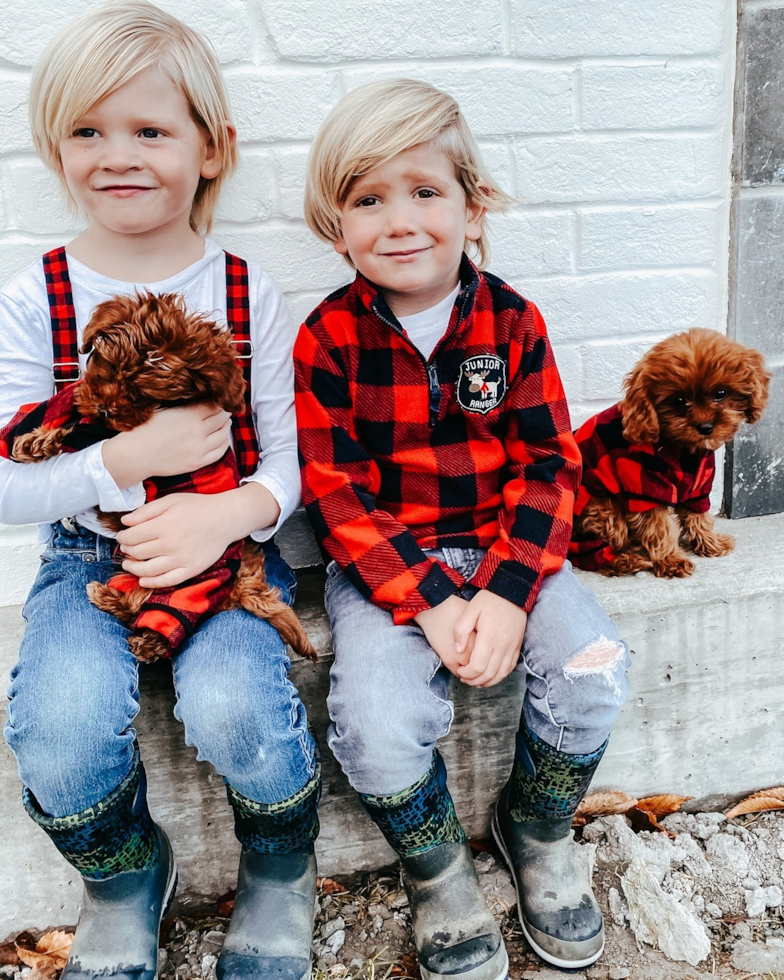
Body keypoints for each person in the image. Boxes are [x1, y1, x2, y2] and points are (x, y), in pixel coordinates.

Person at [0, 4, 318, 978]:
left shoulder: (243, 291)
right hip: (88, 559)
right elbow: (10, 480)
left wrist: (224, 512)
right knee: (55, 727)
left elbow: (290, 465)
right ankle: (125, 875)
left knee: (236, 703)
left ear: (212, 149)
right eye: (87, 131)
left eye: (149, 130)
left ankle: (280, 866)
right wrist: (127, 462)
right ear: (55, 148)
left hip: (228, 560)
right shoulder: (36, 295)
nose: (117, 155)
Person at [295, 78, 631, 976]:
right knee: (373, 718)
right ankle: (437, 869)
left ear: (473, 207)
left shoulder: (513, 323)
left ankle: (537, 824)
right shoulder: (327, 340)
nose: (399, 220)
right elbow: (337, 495)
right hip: (387, 567)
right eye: (368, 199)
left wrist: (510, 594)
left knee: (595, 668)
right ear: (337, 226)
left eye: (425, 191)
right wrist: (437, 603)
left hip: (508, 548)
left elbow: (551, 466)